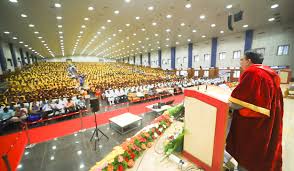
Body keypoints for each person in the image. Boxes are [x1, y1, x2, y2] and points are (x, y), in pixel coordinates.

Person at [226, 51, 283, 171]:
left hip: (253, 124)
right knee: (258, 152)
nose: (240, 61)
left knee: (248, 153)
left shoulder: (253, 72)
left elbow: (238, 102)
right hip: (266, 121)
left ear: (249, 60)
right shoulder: (268, 73)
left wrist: (227, 104)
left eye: (242, 59)